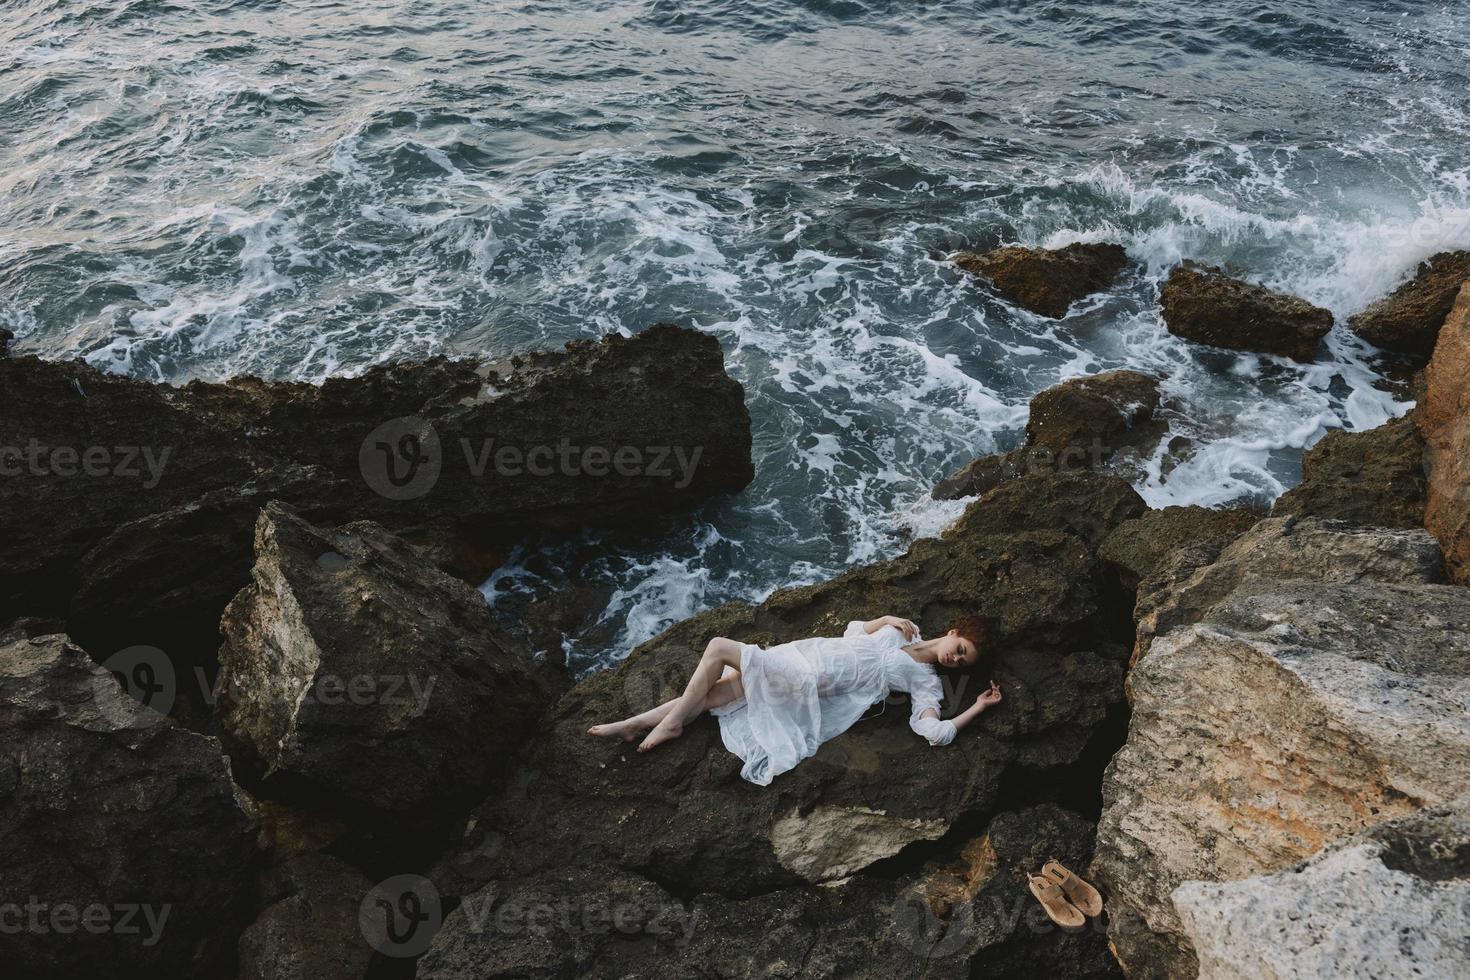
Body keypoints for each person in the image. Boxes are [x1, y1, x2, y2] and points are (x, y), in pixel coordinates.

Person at [588, 615, 1003, 785]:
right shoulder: (904, 628)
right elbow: (853, 631)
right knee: (715, 694)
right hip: (802, 653)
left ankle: (671, 724)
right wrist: (883, 620)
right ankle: (637, 723)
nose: (956, 658)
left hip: (808, 679)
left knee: (717, 647)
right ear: (953, 631)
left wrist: (977, 708)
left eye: (963, 661)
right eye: (961, 647)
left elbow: (933, 731)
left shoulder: (926, 682)